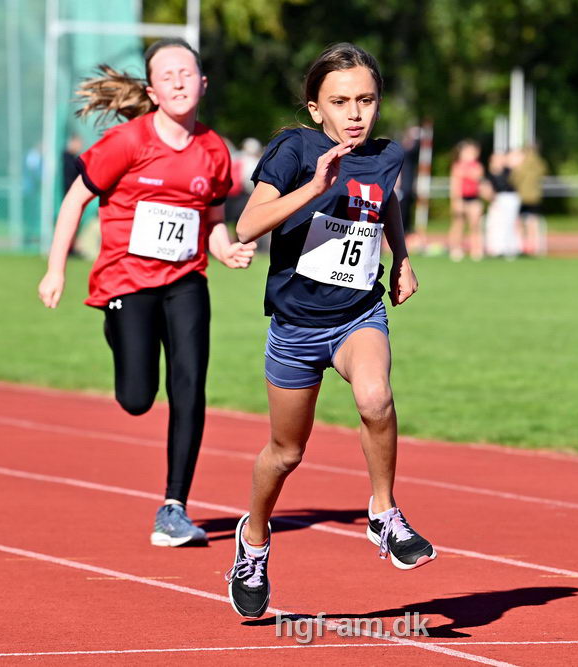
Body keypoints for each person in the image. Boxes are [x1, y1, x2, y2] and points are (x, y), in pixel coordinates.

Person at [224, 42, 435, 620]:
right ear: (316, 108)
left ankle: (384, 513)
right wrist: (315, 186)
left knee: (376, 397)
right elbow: (247, 224)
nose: (355, 113)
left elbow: (384, 201)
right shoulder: (294, 150)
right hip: (296, 326)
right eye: (340, 101)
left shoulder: (387, 154)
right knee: (286, 452)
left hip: (358, 314)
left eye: (366, 100)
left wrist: (403, 258)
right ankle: (254, 541)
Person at [37, 38, 255, 547]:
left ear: (203, 84)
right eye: (167, 75)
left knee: (189, 385)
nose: (178, 82)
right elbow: (75, 201)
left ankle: (174, 506)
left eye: (187, 73)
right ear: (154, 90)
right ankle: (118, 330)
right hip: (126, 282)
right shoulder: (128, 143)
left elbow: (214, 221)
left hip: (185, 281)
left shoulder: (214, 150)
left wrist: (225, 251)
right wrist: (55, 270)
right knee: (137, 398)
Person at [448, 139, 485, 261]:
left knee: (475, 224)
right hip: (461, 198)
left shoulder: (477, 166)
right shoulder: (457, 166)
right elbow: (455, 184)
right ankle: (456, 248)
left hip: (474, 198)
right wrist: (456, 200)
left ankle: (476, 249)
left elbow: (477, 176)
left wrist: (467, 173)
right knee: (459, 224)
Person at [484, 150, 520, 258]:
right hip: (498, 199)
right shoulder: (490, 173)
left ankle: (510, 248)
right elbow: (487, 188)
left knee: (509, 223)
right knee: (496, 223)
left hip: (510, 197)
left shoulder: (509, 171)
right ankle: (497, 248)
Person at [512, 143, 547, 256]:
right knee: (533, 222)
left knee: (521, 222)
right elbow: (544, 173)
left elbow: (513, 179)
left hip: (522, 196)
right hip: (535, 196)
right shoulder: (539, 163)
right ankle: (534, 247)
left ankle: (523, 246)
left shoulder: (521, 164)